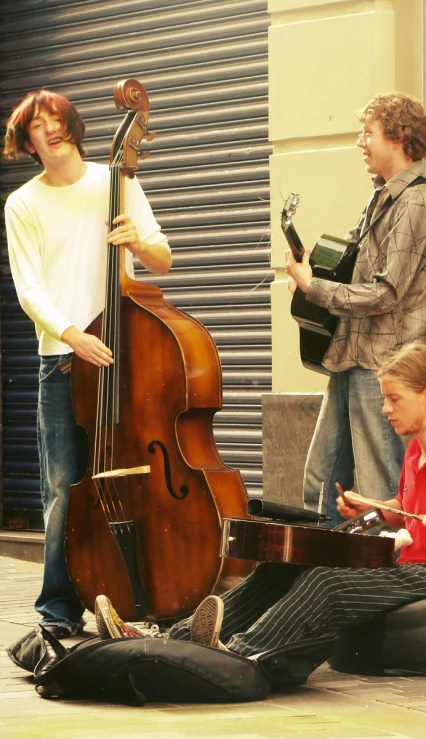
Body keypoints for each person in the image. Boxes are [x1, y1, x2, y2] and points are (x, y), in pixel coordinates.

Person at [95, 343, 426, 687]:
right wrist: (380, 510)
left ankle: (238, 656)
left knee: (329, 582)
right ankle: (169, 640)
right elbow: (412, 513)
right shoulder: (416, 450)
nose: (385, 408)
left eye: (393, 398)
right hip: (407, 560)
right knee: (285, 566)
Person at [3, 89, 171, 638]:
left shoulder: (115, 182)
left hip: (127, 356)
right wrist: (75, 337)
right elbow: (29, 289)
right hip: (63, 362)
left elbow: (162, 258)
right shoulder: (23, 204)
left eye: (56, 119)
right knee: (62, 487)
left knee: (137, 475)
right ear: (26, 142)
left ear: (72, 125)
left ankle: (141, 592)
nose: (49, 129)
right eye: (37, 126)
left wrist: (137, 245)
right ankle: (57, 609)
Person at [285, 92, 426, 527]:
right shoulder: (383, 197)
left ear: (396, 137)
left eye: (368, 133)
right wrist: (312, 273)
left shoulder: (417, 202)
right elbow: (355, 273)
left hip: (384, 366)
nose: (360, 142)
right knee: (322, 479)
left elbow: (386, 294)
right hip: (352, 356)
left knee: (379, 488)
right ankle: (323, 575)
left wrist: (314, 288)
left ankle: (381, 584)